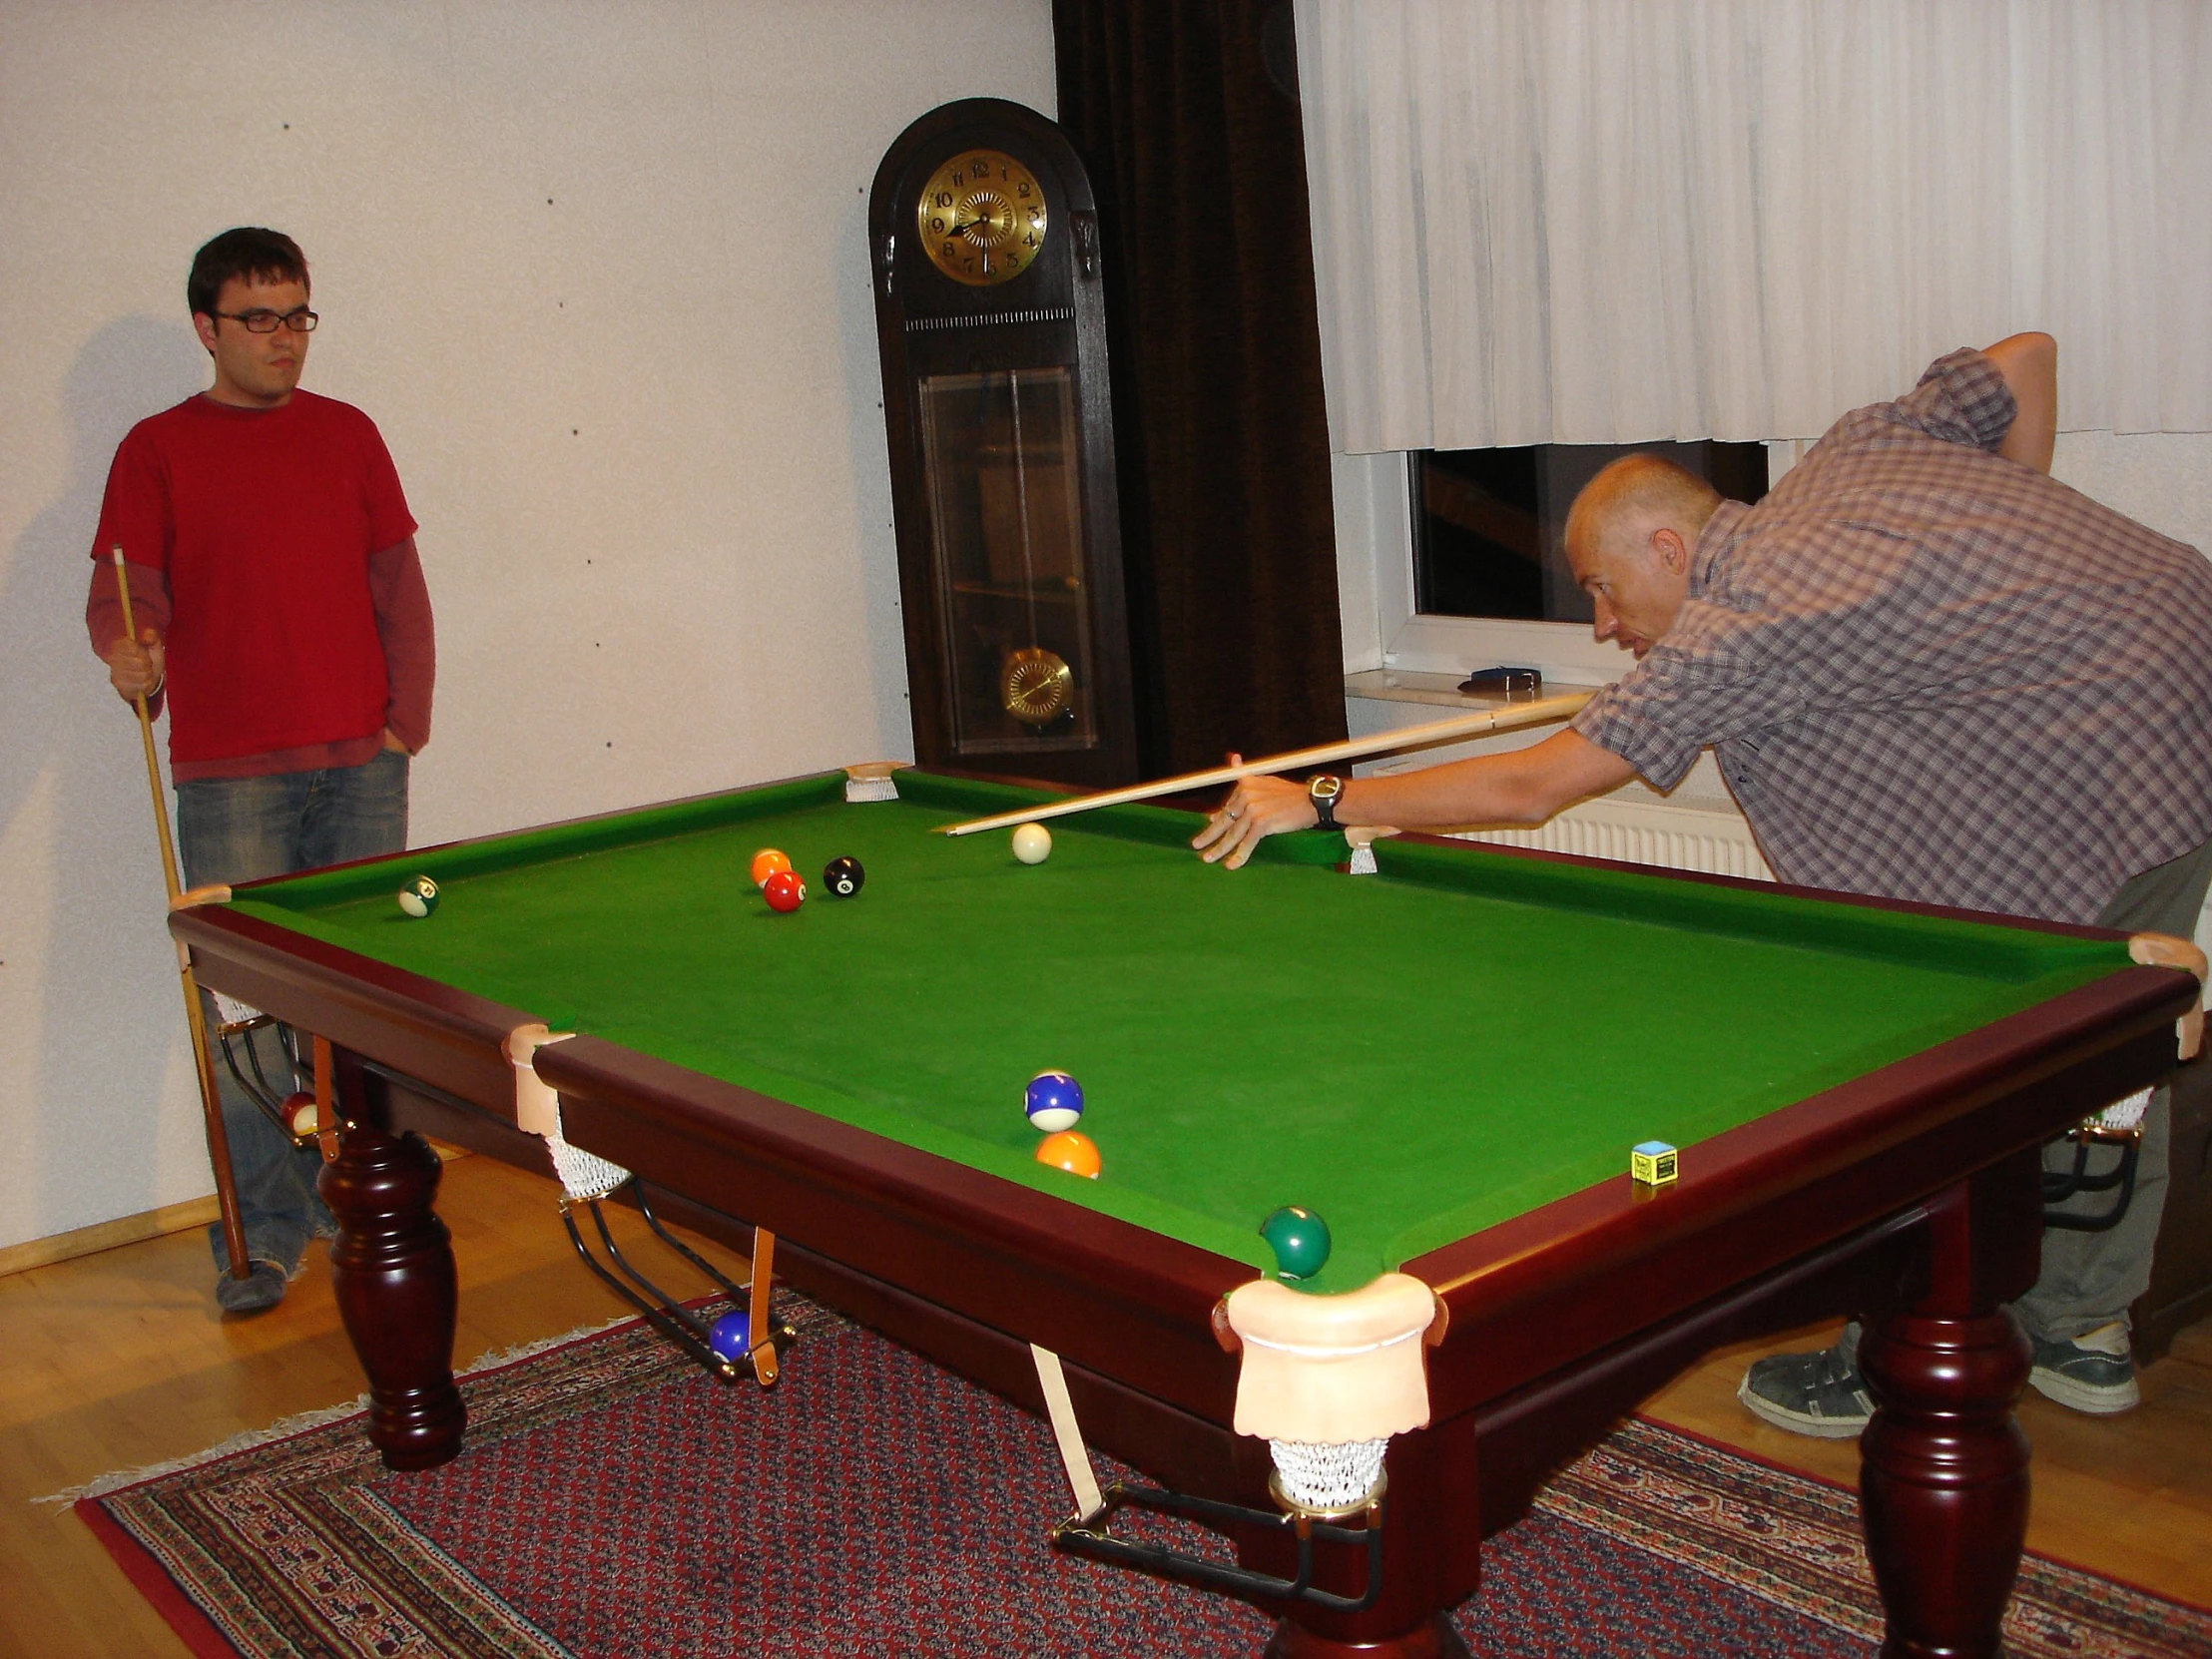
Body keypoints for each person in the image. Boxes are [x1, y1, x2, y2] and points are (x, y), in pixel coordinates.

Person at [1194, 333, 2212, 1425]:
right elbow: (2023, 358)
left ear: (1670, 548)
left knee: (1940, 1060)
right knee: (2122, 1038)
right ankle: (2082, 1331)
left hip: (2115, 746)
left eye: (1600, 590)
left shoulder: (1743, 627)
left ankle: (1895, 1350)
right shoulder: (1849, 453)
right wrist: (1994, 599)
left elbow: (1538, 788)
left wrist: (1332, 800)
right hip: (2182, 685)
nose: (1601, 626)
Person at [87, 227, 434, 1314]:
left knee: (362, 1005)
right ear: (208, 328)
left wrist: (401, 725)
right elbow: (124, 595)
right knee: (242, 1018)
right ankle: (263, 1234)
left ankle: (360, 1199)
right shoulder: (155, 448)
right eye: (260, 319)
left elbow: (399, 590)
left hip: (360, 768)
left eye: (298, 316)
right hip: (231, 778)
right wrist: (126, 654)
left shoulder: (350, 435)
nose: (285, 340)